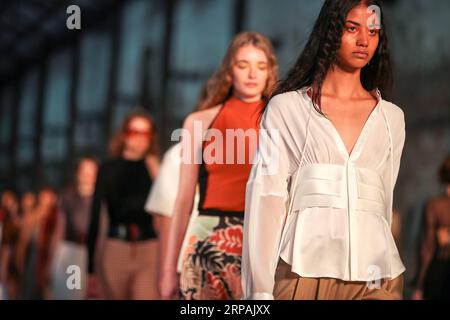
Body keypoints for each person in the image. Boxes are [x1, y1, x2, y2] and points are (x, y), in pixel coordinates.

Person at [242, 0, 406, 300]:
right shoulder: (288, 108)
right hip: (302, 271)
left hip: (375, 275)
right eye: (351, 28)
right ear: (331, 32)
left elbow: (383, 201)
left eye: (373, 31)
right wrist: (260, 292)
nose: (363, 40)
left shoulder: (391, 118)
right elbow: (266, 198)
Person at [160, 31, 278, 300]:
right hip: (206, 244)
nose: (252, 74)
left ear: (270, 71)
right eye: (242, 65)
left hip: (262, 245)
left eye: (260, 66)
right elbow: (183, 199)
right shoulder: (198, 122)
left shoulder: (281, 122)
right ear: (229, 71)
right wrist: (168, 270)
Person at [86, 109, 161, 300]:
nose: (140, 139)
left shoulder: (155, 168)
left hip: (149, 250)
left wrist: (158, 173)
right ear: (124, 135)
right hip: (116, 248)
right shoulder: (108, 169)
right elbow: (96, 216)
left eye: (146, 134)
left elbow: (166, 210)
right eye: (134, 132)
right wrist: (90, 269)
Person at [51, 156, 102, 299]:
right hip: (72, 253)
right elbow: (59, 231)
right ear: (78, 174)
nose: (87, 176)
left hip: (95, 253)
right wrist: (52, 260)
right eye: (84, 172)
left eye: (91, 172)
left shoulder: (102, 199)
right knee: (71, 293)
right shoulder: (68, 197)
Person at [413, 155, 450, 300]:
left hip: (438, 275)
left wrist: (419, 286)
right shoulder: (434, 205)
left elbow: (426, 248)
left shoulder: (434, 205)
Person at [16, 187, 59, 299]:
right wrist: (20, 258)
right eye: (44, 197)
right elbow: (24, 240)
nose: (46, 200)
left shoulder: (56, 216)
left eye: (49, 197)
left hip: (50, 257)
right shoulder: (33, 215)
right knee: (30, 287)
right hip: (34, 257)